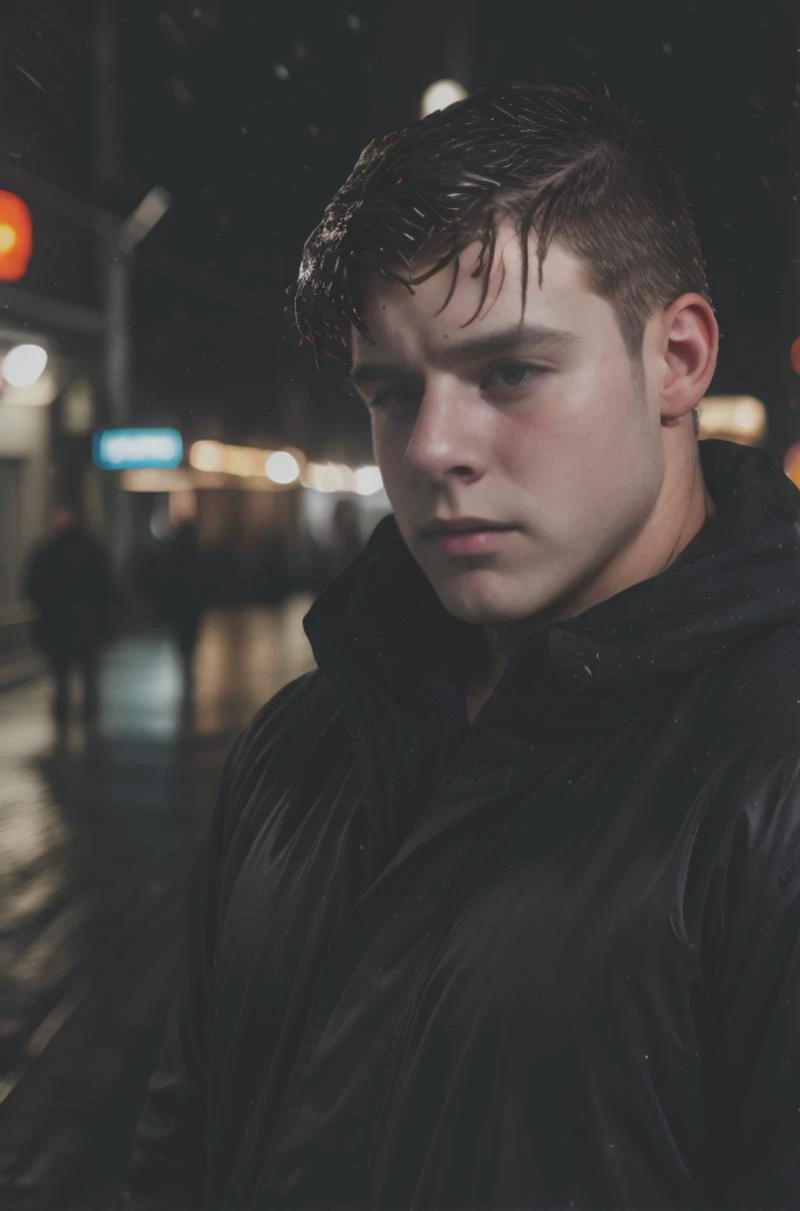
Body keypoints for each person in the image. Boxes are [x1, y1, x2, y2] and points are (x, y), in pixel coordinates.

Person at [121, 83, 800, 1210]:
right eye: (390, 391)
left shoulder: (772, 777)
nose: (433, 446)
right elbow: (181, 1147)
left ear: (675, 357)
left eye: (509, 373)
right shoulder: (299, 744)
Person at [24, 504, 116, 726]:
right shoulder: (90, 550)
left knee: (62, 672)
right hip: (84, 623)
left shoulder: (47, 552)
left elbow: (33, 586)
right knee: (85, 670)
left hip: (60, 624)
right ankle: (87, 713)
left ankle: (65, 710)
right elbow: (106, 587)